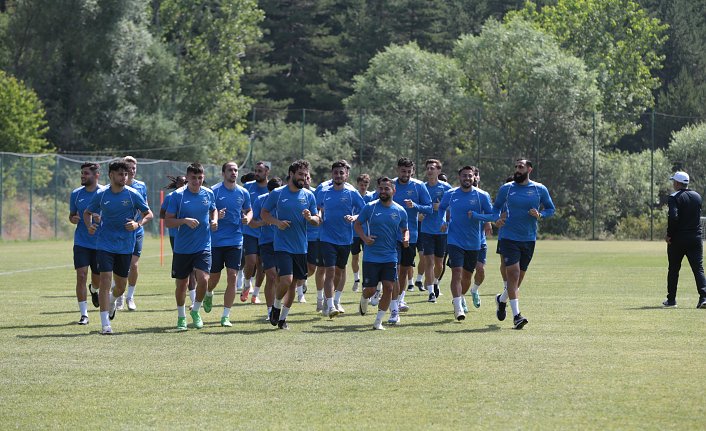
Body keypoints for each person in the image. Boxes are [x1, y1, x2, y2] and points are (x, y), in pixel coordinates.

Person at [471, 159, 555, 329]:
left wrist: (540, 215)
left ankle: (501, 300)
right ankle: (517, 316)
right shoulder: (506, 189)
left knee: (518, 279)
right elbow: (495, 211)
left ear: (529, 169)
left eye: (521, 167)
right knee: (513, 274)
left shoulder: (539, 189)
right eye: (516, 167)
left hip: (529, 239)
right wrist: (495, 219)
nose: (517, 170)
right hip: (509, 237)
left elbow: (550, 209)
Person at [84, 161, 152, 335]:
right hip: (105, 243)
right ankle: (105, 325)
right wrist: (90, 225)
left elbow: (148, 214)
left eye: (126, 174)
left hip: (125, 245)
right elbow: (87, 212)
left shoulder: (133, 194)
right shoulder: (101, 194)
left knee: (120, 286)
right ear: (111, 175)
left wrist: (137, 224)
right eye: (120, 174)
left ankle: (113, 300)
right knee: (106, 279)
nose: (124, 177)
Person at [261, 159, 321, 330]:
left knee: (294, 284)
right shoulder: (277, 194)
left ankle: (282, 319)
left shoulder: (309, 195)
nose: (303, 178)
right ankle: (276, 306)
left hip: (301, 246)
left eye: (305, 175)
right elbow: (264, 213)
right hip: (282, 245)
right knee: (286, 279)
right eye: (300, 175)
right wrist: (276, 222)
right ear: (292, 174)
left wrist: (310, 218)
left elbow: (318, 220)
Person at [164, 162, 218, 331]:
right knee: (181, 285)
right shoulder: (177, 196)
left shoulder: (208, 193)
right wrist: (184, 221)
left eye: (200, 178)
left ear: (204, 178)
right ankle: (181, 316)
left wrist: (214, 220)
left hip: (203, 245)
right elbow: (168, 221)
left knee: (204, 280)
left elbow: (213, 210)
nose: (196, 181)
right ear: (187, 178)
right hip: (182, 248)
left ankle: (195, 310)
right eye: (193, 178)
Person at [439, 165, 493, 321]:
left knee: (467, 276)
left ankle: (462, 296)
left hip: (474, 242)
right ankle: (458, 308)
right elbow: (442, 208)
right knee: (456, 272)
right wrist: (444, 221)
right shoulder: (450, 194)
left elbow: (492, 215)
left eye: (470, 176)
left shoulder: (482, 195)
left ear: (474, 177)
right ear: (459, 177)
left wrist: (477, 216)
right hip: (454, 240)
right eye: (464, 176)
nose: (467, 178)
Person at [354, 176, 409, 330]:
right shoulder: (370, 207)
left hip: (390, 256)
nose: (383, 191)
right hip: (371, 256)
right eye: (381, 188)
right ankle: (364, 298)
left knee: (389, 288)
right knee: (370, 290)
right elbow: (357, 224)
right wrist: (365, 238)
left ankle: (378, 322)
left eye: (387, 188)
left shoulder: (400, 211)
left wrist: (405, 238)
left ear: (393, 190)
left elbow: (405, 229)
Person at [204, 162, 252, 327]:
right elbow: (207, 212)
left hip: (236, 240)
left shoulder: (243, 192)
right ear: (223, 173)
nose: (233, 172)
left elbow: (249, 210)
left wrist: (248, 218)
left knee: (232, 276)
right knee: (214, 278)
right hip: (216, 241)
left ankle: (225, 315)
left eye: (235, 170)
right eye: (230, 170)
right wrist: (215, 218)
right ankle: (208, 293)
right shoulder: (213, 191)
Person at [317, 160, 365, 317]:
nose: (338, 175)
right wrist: (317, 216)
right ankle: (330, 306)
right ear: (332, 174)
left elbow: (364, 212)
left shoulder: (352, 193)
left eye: (341, 173)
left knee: (340, 271)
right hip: (327, 237)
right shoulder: (324, 191)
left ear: (347, 175)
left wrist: (354, 217)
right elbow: (316, 208)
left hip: (345, 238)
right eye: (336, 172)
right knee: (330, 271)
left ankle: (335, 300)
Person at [387, 157, 432, 321]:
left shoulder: (419, 186)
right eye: (402, 171)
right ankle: (394, 308)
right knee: (395, 271)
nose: (405, 174)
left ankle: (400, 299)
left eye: (408, 171)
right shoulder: (390, 184)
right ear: (397, 170)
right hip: (390, 236)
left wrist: (415, 206)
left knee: (405, 271)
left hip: (410, 236)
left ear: (412, 171)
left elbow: (429, 208)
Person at [664, 171, 706, 308]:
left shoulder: (674, 197)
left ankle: (671, 300)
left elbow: (673, 217)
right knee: (698, 268)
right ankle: (704, 298)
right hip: (695, 238)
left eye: (673, 181)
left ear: (677, 183)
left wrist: (669, 235)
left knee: (674, 269)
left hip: (678, 239)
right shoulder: (697, 196)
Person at [115, 156, 152, 311]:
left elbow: (146, 209)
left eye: (134, 168)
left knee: (134, 265)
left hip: (136, 230)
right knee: (118, 266)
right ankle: (119, 295)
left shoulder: (141, 186)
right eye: (129, 168)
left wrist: (138, 223)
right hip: (118, 231)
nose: (132, 171)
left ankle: (130, 296)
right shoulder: (115, 187)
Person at [69, 162, 102, 325]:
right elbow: (72, 215)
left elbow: (112, 216)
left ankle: (94, 290)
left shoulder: (105, 193)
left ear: (97, 175)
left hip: (100, 244)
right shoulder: (76, 194)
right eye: (82, 173)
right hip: (81, 242)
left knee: (98, 280)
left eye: (86, 173)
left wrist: (100, 219)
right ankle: (84, 315)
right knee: (81, 275)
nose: (83, 176)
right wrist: (73, 219)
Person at [160, 175, 197, 309]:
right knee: (186, 271)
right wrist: (179, 219)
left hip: (193, 235)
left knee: (194, 269)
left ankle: (193, 301)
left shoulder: (194, 195)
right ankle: (185, 296)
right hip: (176, 237)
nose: (184, 184)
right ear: (177, 184)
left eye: (186, 182)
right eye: (182, 183)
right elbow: (162, 214)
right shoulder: (172, 197)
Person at [250, 177, 284, 321]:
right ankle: (270, 311)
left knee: (281, 278)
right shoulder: (260, 200)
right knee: (271, 276)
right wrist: (263, 222)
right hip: (266, 243)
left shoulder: (286, 199)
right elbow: (252, 223)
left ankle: (277, 306)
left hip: (283, 243)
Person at [419, 159, 452, 302]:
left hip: (442, 230)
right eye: (428, 168)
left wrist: (447, 221)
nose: (430, 170)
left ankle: (436, 283)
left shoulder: (446, 187)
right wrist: (419, 213)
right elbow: (418, 205)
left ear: (439, 171)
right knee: (429, 262)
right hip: (426, 230)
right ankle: (431, 292)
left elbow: (452, 207)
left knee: (439, 264)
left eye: (433, 168)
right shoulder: (422, 187)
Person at [242, 161, 270, 303]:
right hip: (250, 230)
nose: (257, 173)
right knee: (251, 261)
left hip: (265, 232)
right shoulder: (248, 187)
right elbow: (242, 205)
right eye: (256, 170)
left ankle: (256, 294)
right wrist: (247, 218)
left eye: (260, 171)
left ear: (267, 172)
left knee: (262, 265)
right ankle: (247, 283)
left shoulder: (272, 189)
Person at [466, 167, 494, 310]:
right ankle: (460, 298)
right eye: (472, 175)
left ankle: (474, 290)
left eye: (476, 174)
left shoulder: (484, 195)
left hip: (480, 239)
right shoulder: (458, 193)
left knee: (480, 270)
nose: (474, 177)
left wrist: (487, 222)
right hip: (462, 240)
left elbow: (489, 212)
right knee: (463, 273)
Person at [351, 174, 375, 292]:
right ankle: (356, 279)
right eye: (361, 184)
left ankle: (367, 282)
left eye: (365, 184)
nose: (363, 187)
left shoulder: (370, 197)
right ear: (357, 184)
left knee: (367, 258)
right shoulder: (353, 195)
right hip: (354, 233)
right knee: (355, 257)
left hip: (366, 233)